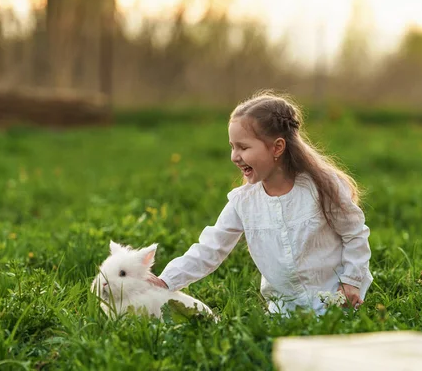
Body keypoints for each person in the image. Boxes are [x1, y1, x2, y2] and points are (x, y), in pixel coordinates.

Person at [148, 92, 372, 315]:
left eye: (243, 147)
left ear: (277, 147)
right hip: (285, 309)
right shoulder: (243, 202)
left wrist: (351, 281)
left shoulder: (322, 187)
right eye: (232, 146)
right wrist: (166, 281)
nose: (234, 156)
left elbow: (354, 234)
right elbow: (209, 249)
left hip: (336, 300)